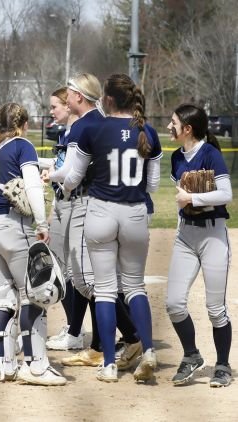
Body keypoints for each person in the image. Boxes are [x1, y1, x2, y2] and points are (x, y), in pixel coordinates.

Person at [63, 73, 162, 383]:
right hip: (134, 213)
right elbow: (154, 185)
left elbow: (73, 178)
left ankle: (107, 363)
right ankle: (147, 351)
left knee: (104, 291)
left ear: (106, 100)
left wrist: (58, 182)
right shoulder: (148, 130)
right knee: (134, 287)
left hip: (101, 212)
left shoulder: (94, 128)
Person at [0, 102, 66, 385]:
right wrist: (42, 223)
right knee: (34, 295)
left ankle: (2, 365)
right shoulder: (21, 145)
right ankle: (36, 365)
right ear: (23, 123)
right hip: (11, 224)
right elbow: (31, 185)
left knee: (1, 298)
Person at [166, 104, 233, 387]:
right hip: (186, 236)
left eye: (174, 123)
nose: (170, 127)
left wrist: (193, 199)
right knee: (173, 303)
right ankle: (192, 355)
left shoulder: (211, 155)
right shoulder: (175, 158)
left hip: (213, 236)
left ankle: (223, 365)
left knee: (215, 308)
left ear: (188, 129)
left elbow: (226, 194)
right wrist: (189, 201)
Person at [45, 74, 106, 366]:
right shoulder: (97, 122)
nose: (61, 104)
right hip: (94, 202)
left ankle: (112, 339)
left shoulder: (84, 125)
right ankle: (99, 339)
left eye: (66, 96)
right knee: (84, 277)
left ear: (78, 98)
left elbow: (71, 176)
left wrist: (52, 177)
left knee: (86, 278)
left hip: (83, 202)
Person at [40, 87, 83, 350]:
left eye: (55, 106)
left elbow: (70, 173)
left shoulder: (77, 132)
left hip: (73, 203)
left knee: (70, 271)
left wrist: (49, 173)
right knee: (58, 267)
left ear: (68, 106)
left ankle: (75, 332)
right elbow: (59, 167)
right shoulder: (65, 132)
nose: (52, 111)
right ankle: (72, 327)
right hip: (60, 202)